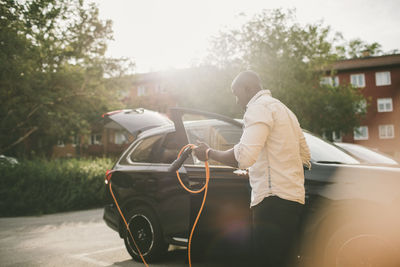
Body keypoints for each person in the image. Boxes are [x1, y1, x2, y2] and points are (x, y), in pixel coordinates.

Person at [194, 70, 311, 266]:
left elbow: (244, 156)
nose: (237, 101)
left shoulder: (257, 108)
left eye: (236, 94)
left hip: (272, 202)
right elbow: (304, 158)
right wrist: (260, 170)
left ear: (248, 88)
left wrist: (208, 153)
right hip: (294, 200)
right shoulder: (285, 111)